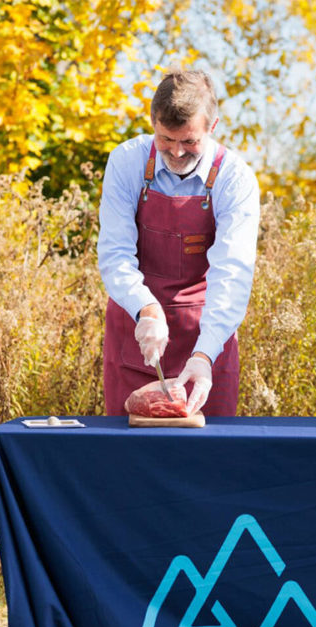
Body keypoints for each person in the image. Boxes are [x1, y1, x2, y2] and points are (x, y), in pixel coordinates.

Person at [98, 70, 260, 416]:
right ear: (153, 122)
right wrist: (146, 307)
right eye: (166, 139)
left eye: (189, 142)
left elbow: (232, 274)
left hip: (206, 336)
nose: (176, 152)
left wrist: (204, 355)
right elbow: (115, 255)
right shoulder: (126, 161)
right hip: (136, 334)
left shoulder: (235, 178)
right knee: (128, 461)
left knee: (208, 461)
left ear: (212, 126)